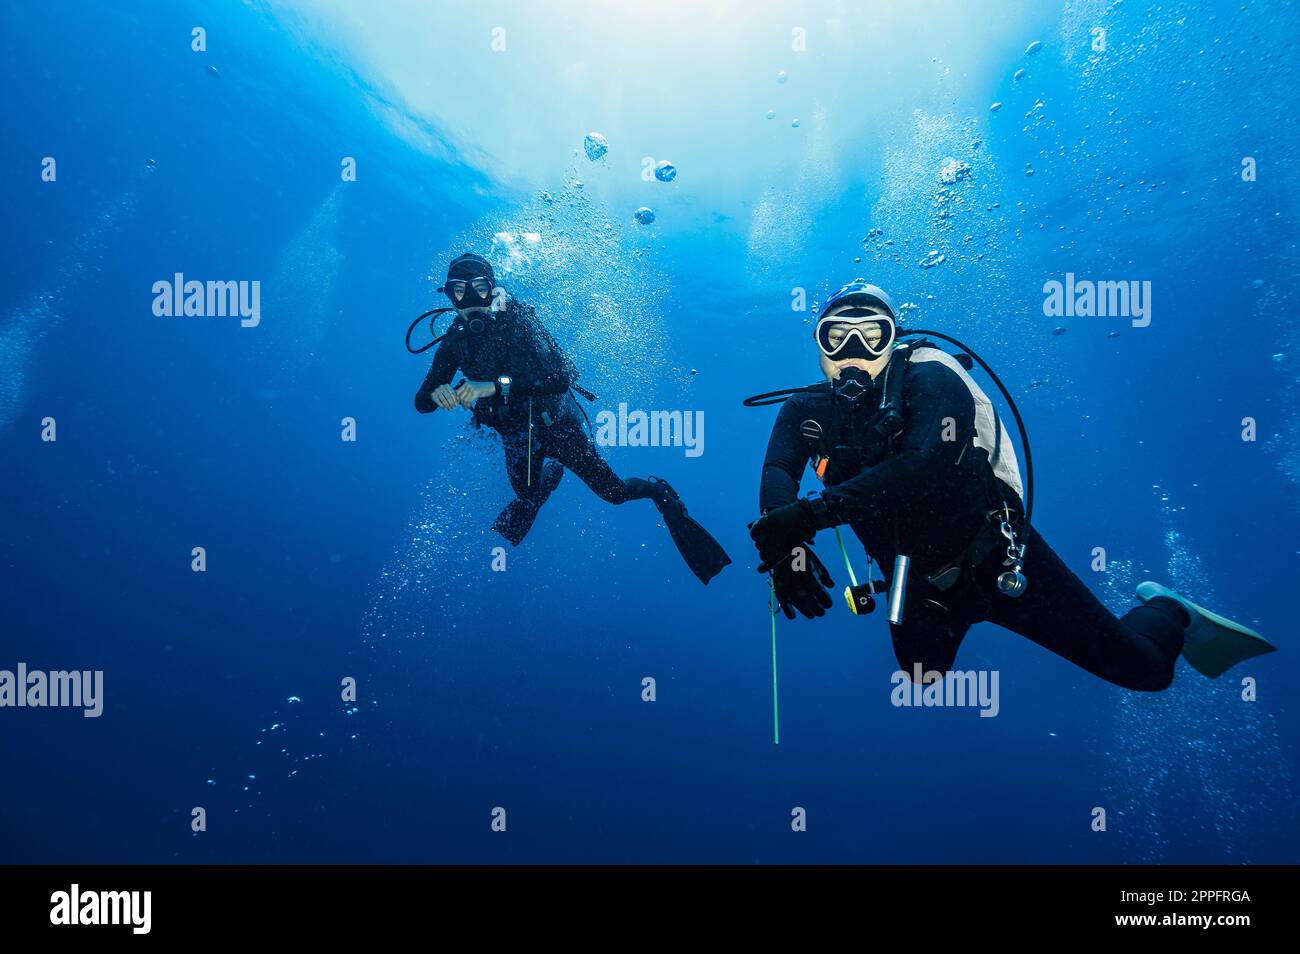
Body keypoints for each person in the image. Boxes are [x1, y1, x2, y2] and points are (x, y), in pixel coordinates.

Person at [747, 278, 1274, 688]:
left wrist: (809, 518)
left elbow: (927, 464)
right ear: (818, 346)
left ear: (894, 339)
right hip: (915, 580)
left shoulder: (930, 375)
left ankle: (1169, 608)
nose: (854, 350)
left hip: (999, 558)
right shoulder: (806, 409)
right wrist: (784, 545)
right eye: (836, 337)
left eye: (872, 334)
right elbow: (778, 474)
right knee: (922, 675)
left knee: (1147, 672)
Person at [414, 253, 730, 585]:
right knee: (526, 495)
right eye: (459, 292)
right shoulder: (454, 340)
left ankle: (659, 492)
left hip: (557, 424)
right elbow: (421, 402)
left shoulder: (519, 321)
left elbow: (560, 378)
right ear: (448, 296)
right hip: (515, 432)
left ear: (493, 290)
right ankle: (553, 471)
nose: (471, 300)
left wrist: (492, 386)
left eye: (479, 288)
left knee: (615, 493)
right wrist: (439, 395)